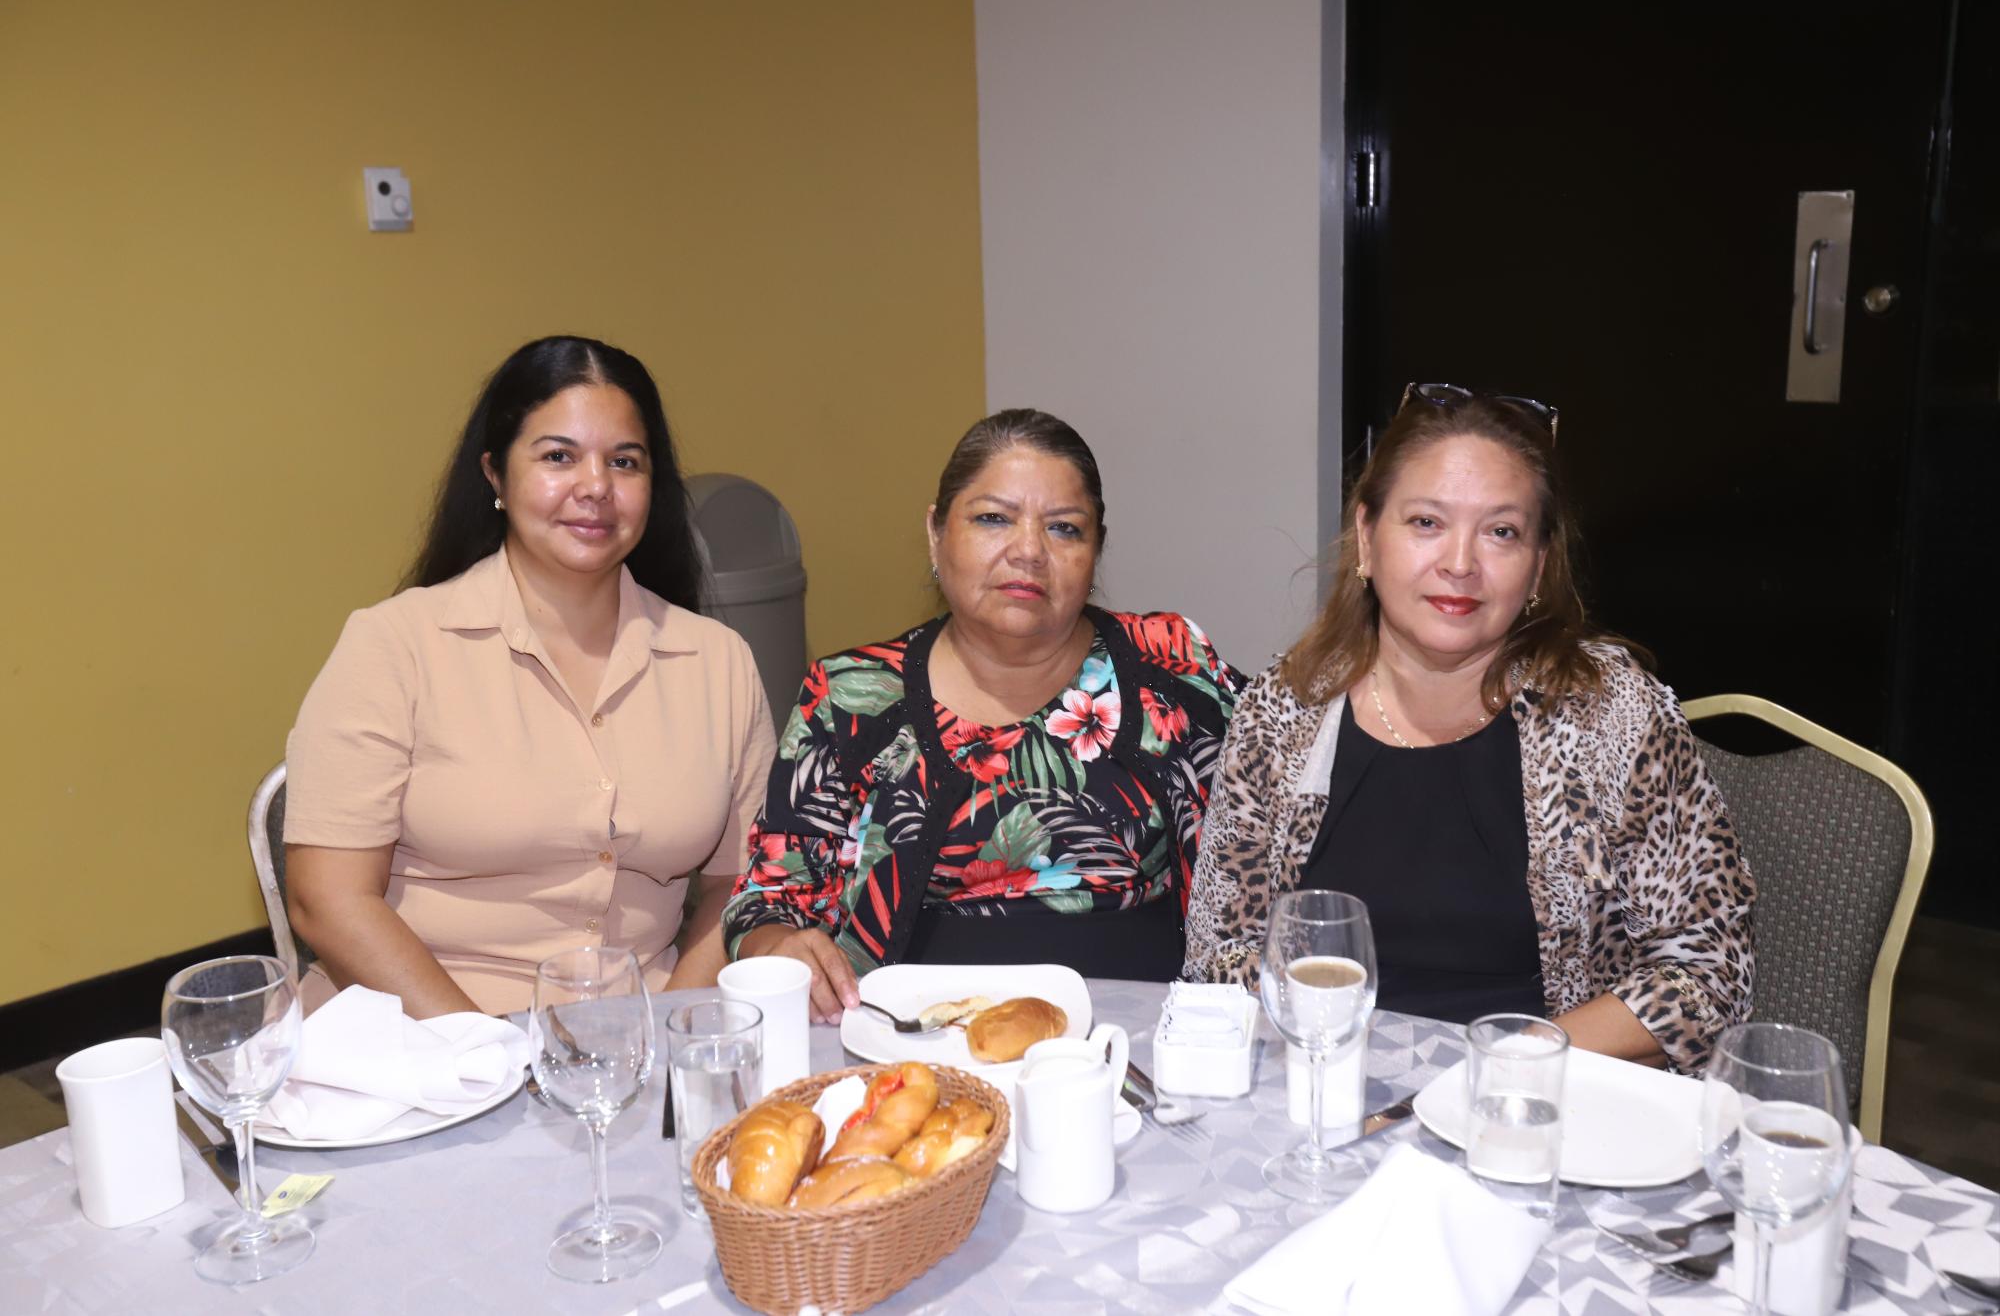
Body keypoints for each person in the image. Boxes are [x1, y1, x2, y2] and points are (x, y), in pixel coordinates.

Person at [1183, 384, 1753, 1072]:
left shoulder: (1612, 714)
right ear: (1367, 538)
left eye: (1502, 531)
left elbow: (1707, 973)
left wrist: (1512, 1062)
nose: (1460, 563)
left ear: (1539, 566)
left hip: (1540, 1107)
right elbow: (1218, 956)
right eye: (1426, 522)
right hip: (1326, 1093)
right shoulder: (1286, 710)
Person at [284, 335, 775, 1017]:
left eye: (624, 461)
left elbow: (742, 883)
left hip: (634, 1041)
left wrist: (677, 1030)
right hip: (417, 1039)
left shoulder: (717, 661)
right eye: (558, 456)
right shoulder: (395, 646)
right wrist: (488, 1054)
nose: (596, 486)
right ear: (495, 475)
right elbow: (327, 898)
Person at [721, 409, 1243, 1019]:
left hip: (1140, 1048)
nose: (1029, 551)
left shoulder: (1172, 662)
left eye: (1065, 529)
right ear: (937, 532)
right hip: (909, 1048)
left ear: (1097, 549)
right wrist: (781, 946)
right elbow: (767, 901)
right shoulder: (851, 696)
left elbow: (1278, 825)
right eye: (993, 518)